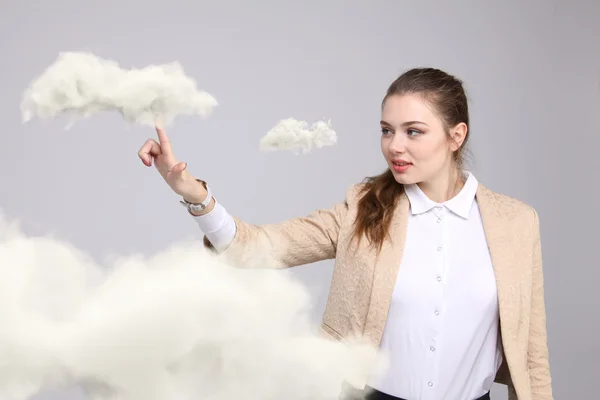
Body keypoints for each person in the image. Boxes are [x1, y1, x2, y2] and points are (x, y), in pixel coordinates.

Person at [138, 67, 553, 400]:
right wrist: (196, 197)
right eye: (387, 130)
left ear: (456, 135)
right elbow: (259, 246)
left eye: (413, 131)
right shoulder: (363, 209)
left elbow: (531, 352)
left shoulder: (516, 223)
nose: (394, 146)